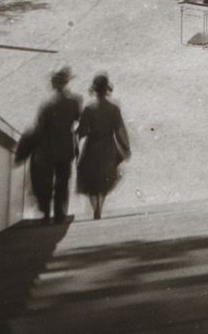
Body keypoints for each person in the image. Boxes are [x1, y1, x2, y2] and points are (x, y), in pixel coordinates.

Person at [20, 66, 82, 223]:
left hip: (47, 148)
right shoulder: (75, 102)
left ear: (53, 84)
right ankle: (60, 214)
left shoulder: (46, 104)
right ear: (67, 83)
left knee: (45, 182)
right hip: (66, 147)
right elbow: (78, 123)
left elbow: (40, 127)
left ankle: (46, 213)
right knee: (63, 181)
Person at [75, 73, 131, 220]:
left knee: (91, 178)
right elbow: (120, 130)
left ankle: (96, 208)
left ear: (94, 89)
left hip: (92, 146)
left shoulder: (89, 109)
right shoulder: (113, 109)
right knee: (106, 177)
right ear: (106, 89)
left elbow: (82, 130)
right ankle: (101, 204)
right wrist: (125, 147)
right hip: (108, 146)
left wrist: (76, 138)